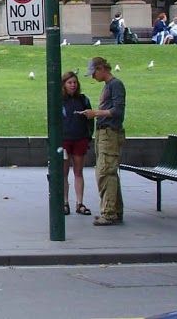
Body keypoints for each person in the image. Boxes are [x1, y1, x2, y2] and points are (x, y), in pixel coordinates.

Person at [82, 56, 126, 226]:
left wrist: (96, 113)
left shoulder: (115, 85)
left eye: (94, 73)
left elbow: (117, 111)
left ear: (101, 68)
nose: (93, 77)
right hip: (103, 133)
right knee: (108, 172)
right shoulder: (109, 86)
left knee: (105, 172)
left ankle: (109, 212)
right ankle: (115, 210)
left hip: (110, 133)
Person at [61, 71, 92, 216]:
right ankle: (64, 202)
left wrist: (87, 137)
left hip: (80, 138)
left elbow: (90, 120)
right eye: (69, 83)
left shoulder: (83, 100)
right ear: (64, 85)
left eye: (74, 82)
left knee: (78, 172)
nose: (73, 85)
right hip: (65, 140)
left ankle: (79, 202)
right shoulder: (59, 100)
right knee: (64, 173)